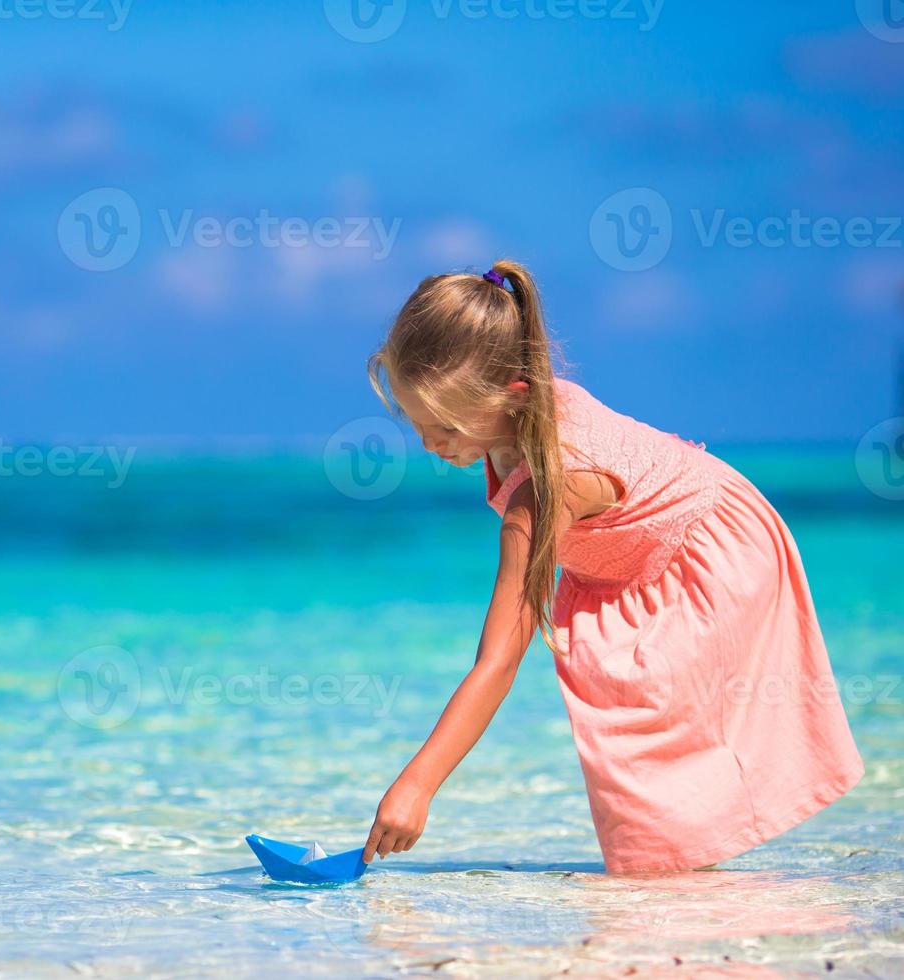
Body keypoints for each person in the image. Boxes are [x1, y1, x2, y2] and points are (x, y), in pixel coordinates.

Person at [360, 259, 865, 874]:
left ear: (515, 394)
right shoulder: (522, 411)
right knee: (614, 710)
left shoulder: (544, 492)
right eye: (416, 423)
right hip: (631, 552)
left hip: (709, 550)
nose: (430, 444)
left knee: (638, 729)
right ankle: (675, 873)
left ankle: (673, 877)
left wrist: (418, 784)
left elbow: (499, 658)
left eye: (445, 426)